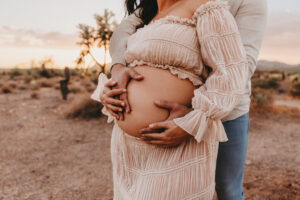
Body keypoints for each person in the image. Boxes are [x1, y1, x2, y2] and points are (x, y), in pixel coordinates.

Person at [91, 0, 267, 199]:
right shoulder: (152, 9)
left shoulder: (215, 6)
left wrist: (194, 116)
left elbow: (239, 65)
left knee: (228, 189)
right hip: (130, 145)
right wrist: (115, 75)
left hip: (220, 112)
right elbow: (121, 34)